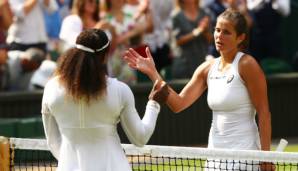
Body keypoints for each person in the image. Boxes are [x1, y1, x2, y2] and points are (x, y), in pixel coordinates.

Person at [124, 8, 273, 170]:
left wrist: (265, 157)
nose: (219, 36)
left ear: (241, 38)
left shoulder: (247, 64)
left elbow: (264, 113)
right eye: (217, 30)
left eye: (227, 32)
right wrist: (153, 73)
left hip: (245, 157)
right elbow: (178, 104)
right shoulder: (207, 68)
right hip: (215, 158)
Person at [41, 28, 169, 171]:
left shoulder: (50, 88)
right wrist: (153, 104)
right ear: (105, 57)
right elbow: (140, 138)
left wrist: (74, 163)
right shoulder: (120, 90)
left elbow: (53, 143)